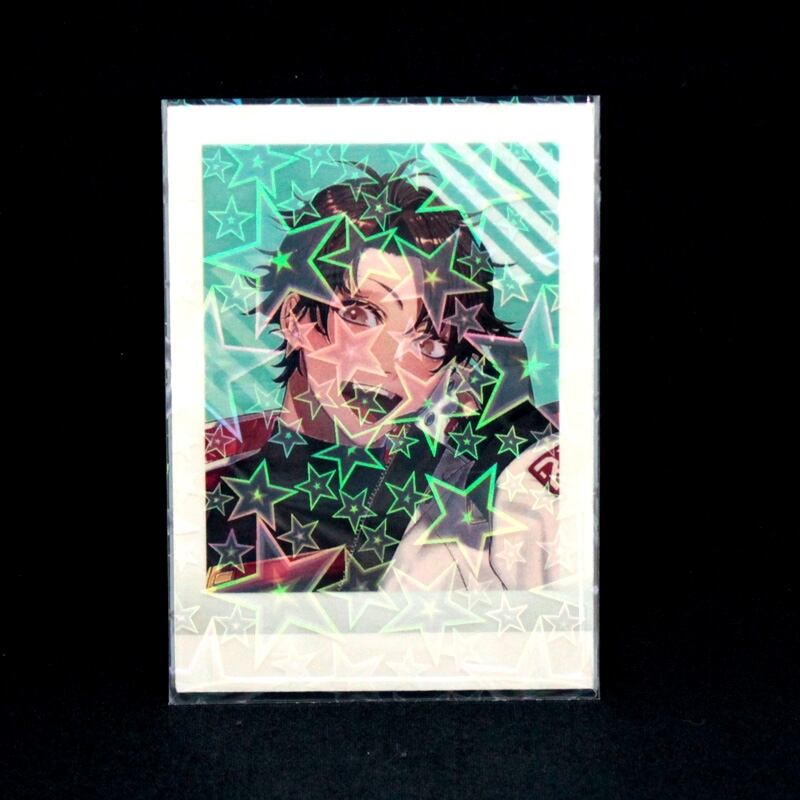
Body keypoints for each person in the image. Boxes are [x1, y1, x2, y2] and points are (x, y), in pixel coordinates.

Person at [204, 161, 561, 593]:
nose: (391, 365)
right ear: (294, 315)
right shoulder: (205, 485)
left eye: (429, 343)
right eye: (363, 315)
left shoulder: (492, 488)